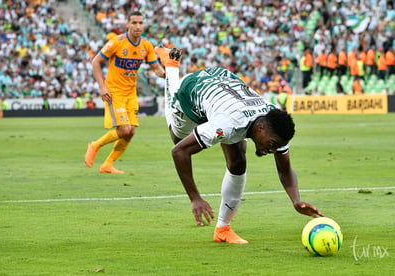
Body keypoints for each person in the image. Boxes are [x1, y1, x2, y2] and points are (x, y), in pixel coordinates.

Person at [155, 47, 323, 244]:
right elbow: (179, 152)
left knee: (237, 162)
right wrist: (195, 198)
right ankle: (171, 65)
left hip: (224, 87)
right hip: (190, 94)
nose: (271, 151)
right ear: (260, 128)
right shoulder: (227, 124)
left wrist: (296, 200)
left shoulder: (275, 123)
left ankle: (223, 229)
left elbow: (285, 170)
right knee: (178, 139)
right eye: (271, 145)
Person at [84, 11, 165, 174]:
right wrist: (102, 87)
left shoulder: (146, 45)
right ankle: (94, 145)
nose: (137, 26)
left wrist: (169, 71)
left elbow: (156, 68)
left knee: (131, 132)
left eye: (140, 23)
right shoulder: (117, 42)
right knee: (124, 130)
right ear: (127, 24)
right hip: (114, 92)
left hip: (130, 93)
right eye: (134, 23)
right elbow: (96, 62)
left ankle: (107, 165)